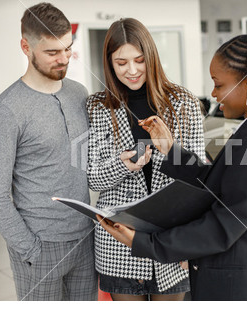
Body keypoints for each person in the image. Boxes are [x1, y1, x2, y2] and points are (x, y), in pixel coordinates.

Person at [97, 25, 247, 301]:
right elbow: (220, 184)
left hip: (246, 280)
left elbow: (222, 225)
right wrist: (171, 150)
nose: (215, 95)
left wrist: (145, 243)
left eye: (219, 84)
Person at [0, 2, 96, 301]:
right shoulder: (7, 110)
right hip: (39, 245)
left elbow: (85, 159)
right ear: (26, 47)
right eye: (52, 52)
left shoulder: (78, 93)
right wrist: (29, 248)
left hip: (85, 239)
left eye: (68, 49)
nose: (64, 59)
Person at [86, 18, 205, 301]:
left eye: (139, 60)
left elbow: (200, 177)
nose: (132, 70)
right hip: (119, 245)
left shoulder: (183, 102)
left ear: (151, 57)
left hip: (172, 240)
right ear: (109, 63)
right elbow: (92, 176)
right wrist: (123, 165)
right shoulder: (98, 106)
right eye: (121, 62)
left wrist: (170, 148)